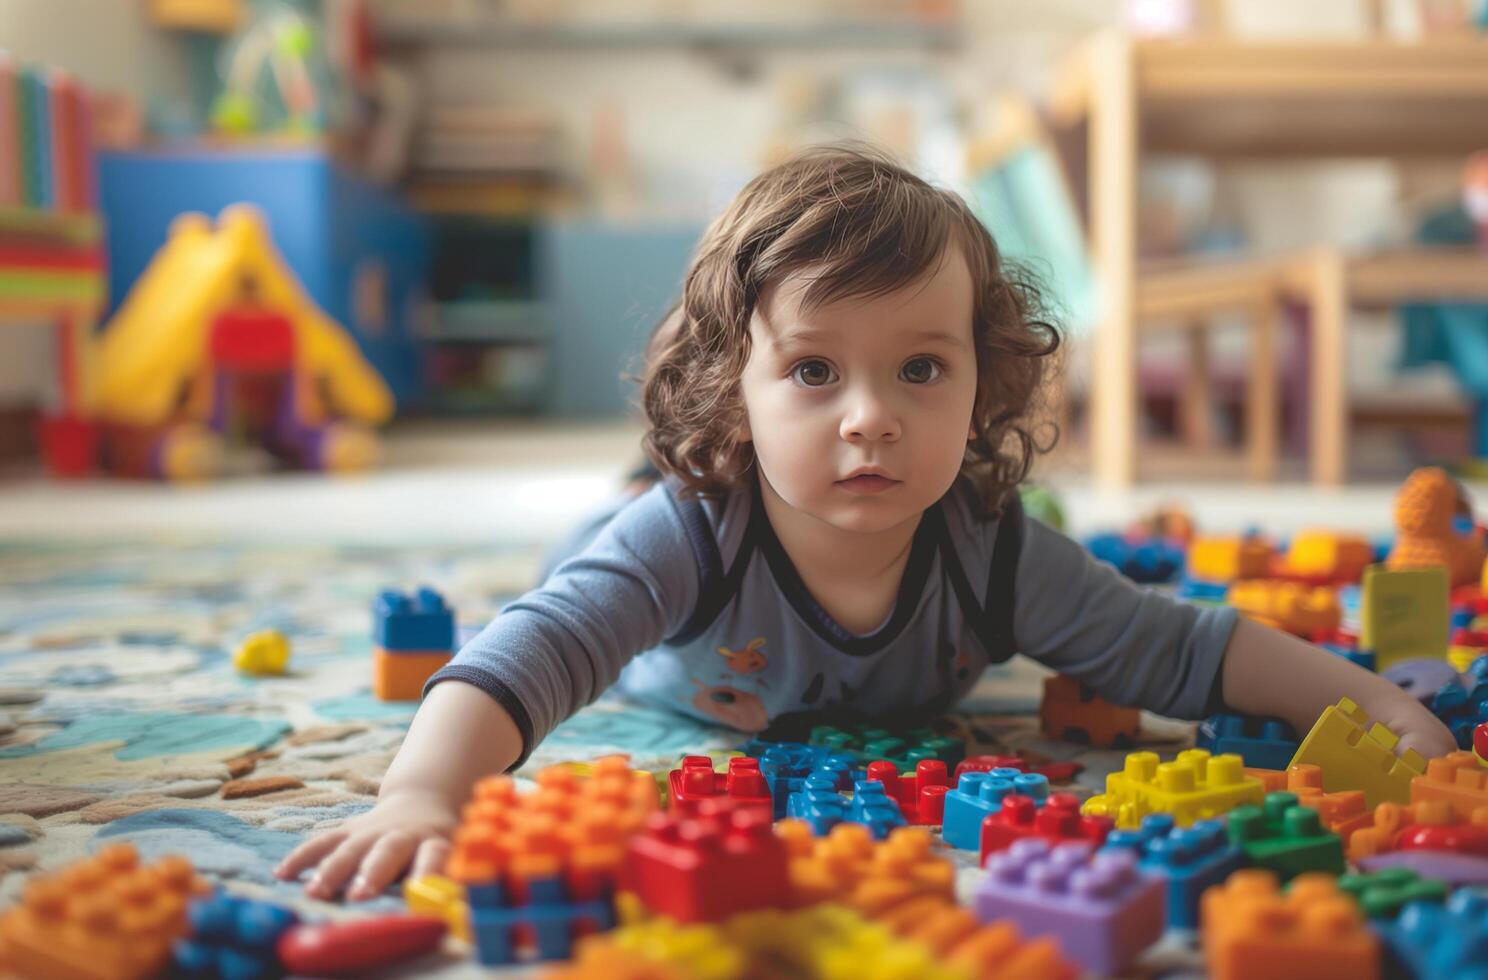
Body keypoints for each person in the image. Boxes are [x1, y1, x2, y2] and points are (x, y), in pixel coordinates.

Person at [277, 143, 1455, 901]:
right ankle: (641, 461)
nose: (872, 419)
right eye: (812, 372)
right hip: (649, 580)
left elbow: (1179, 644)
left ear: (984, 384)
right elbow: (522, 659)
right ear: (733, 380)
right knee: (596, 546)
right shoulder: (692, 535)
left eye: (922, 370)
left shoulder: (991, 545)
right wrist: (422, 793)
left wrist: (1373, 697)